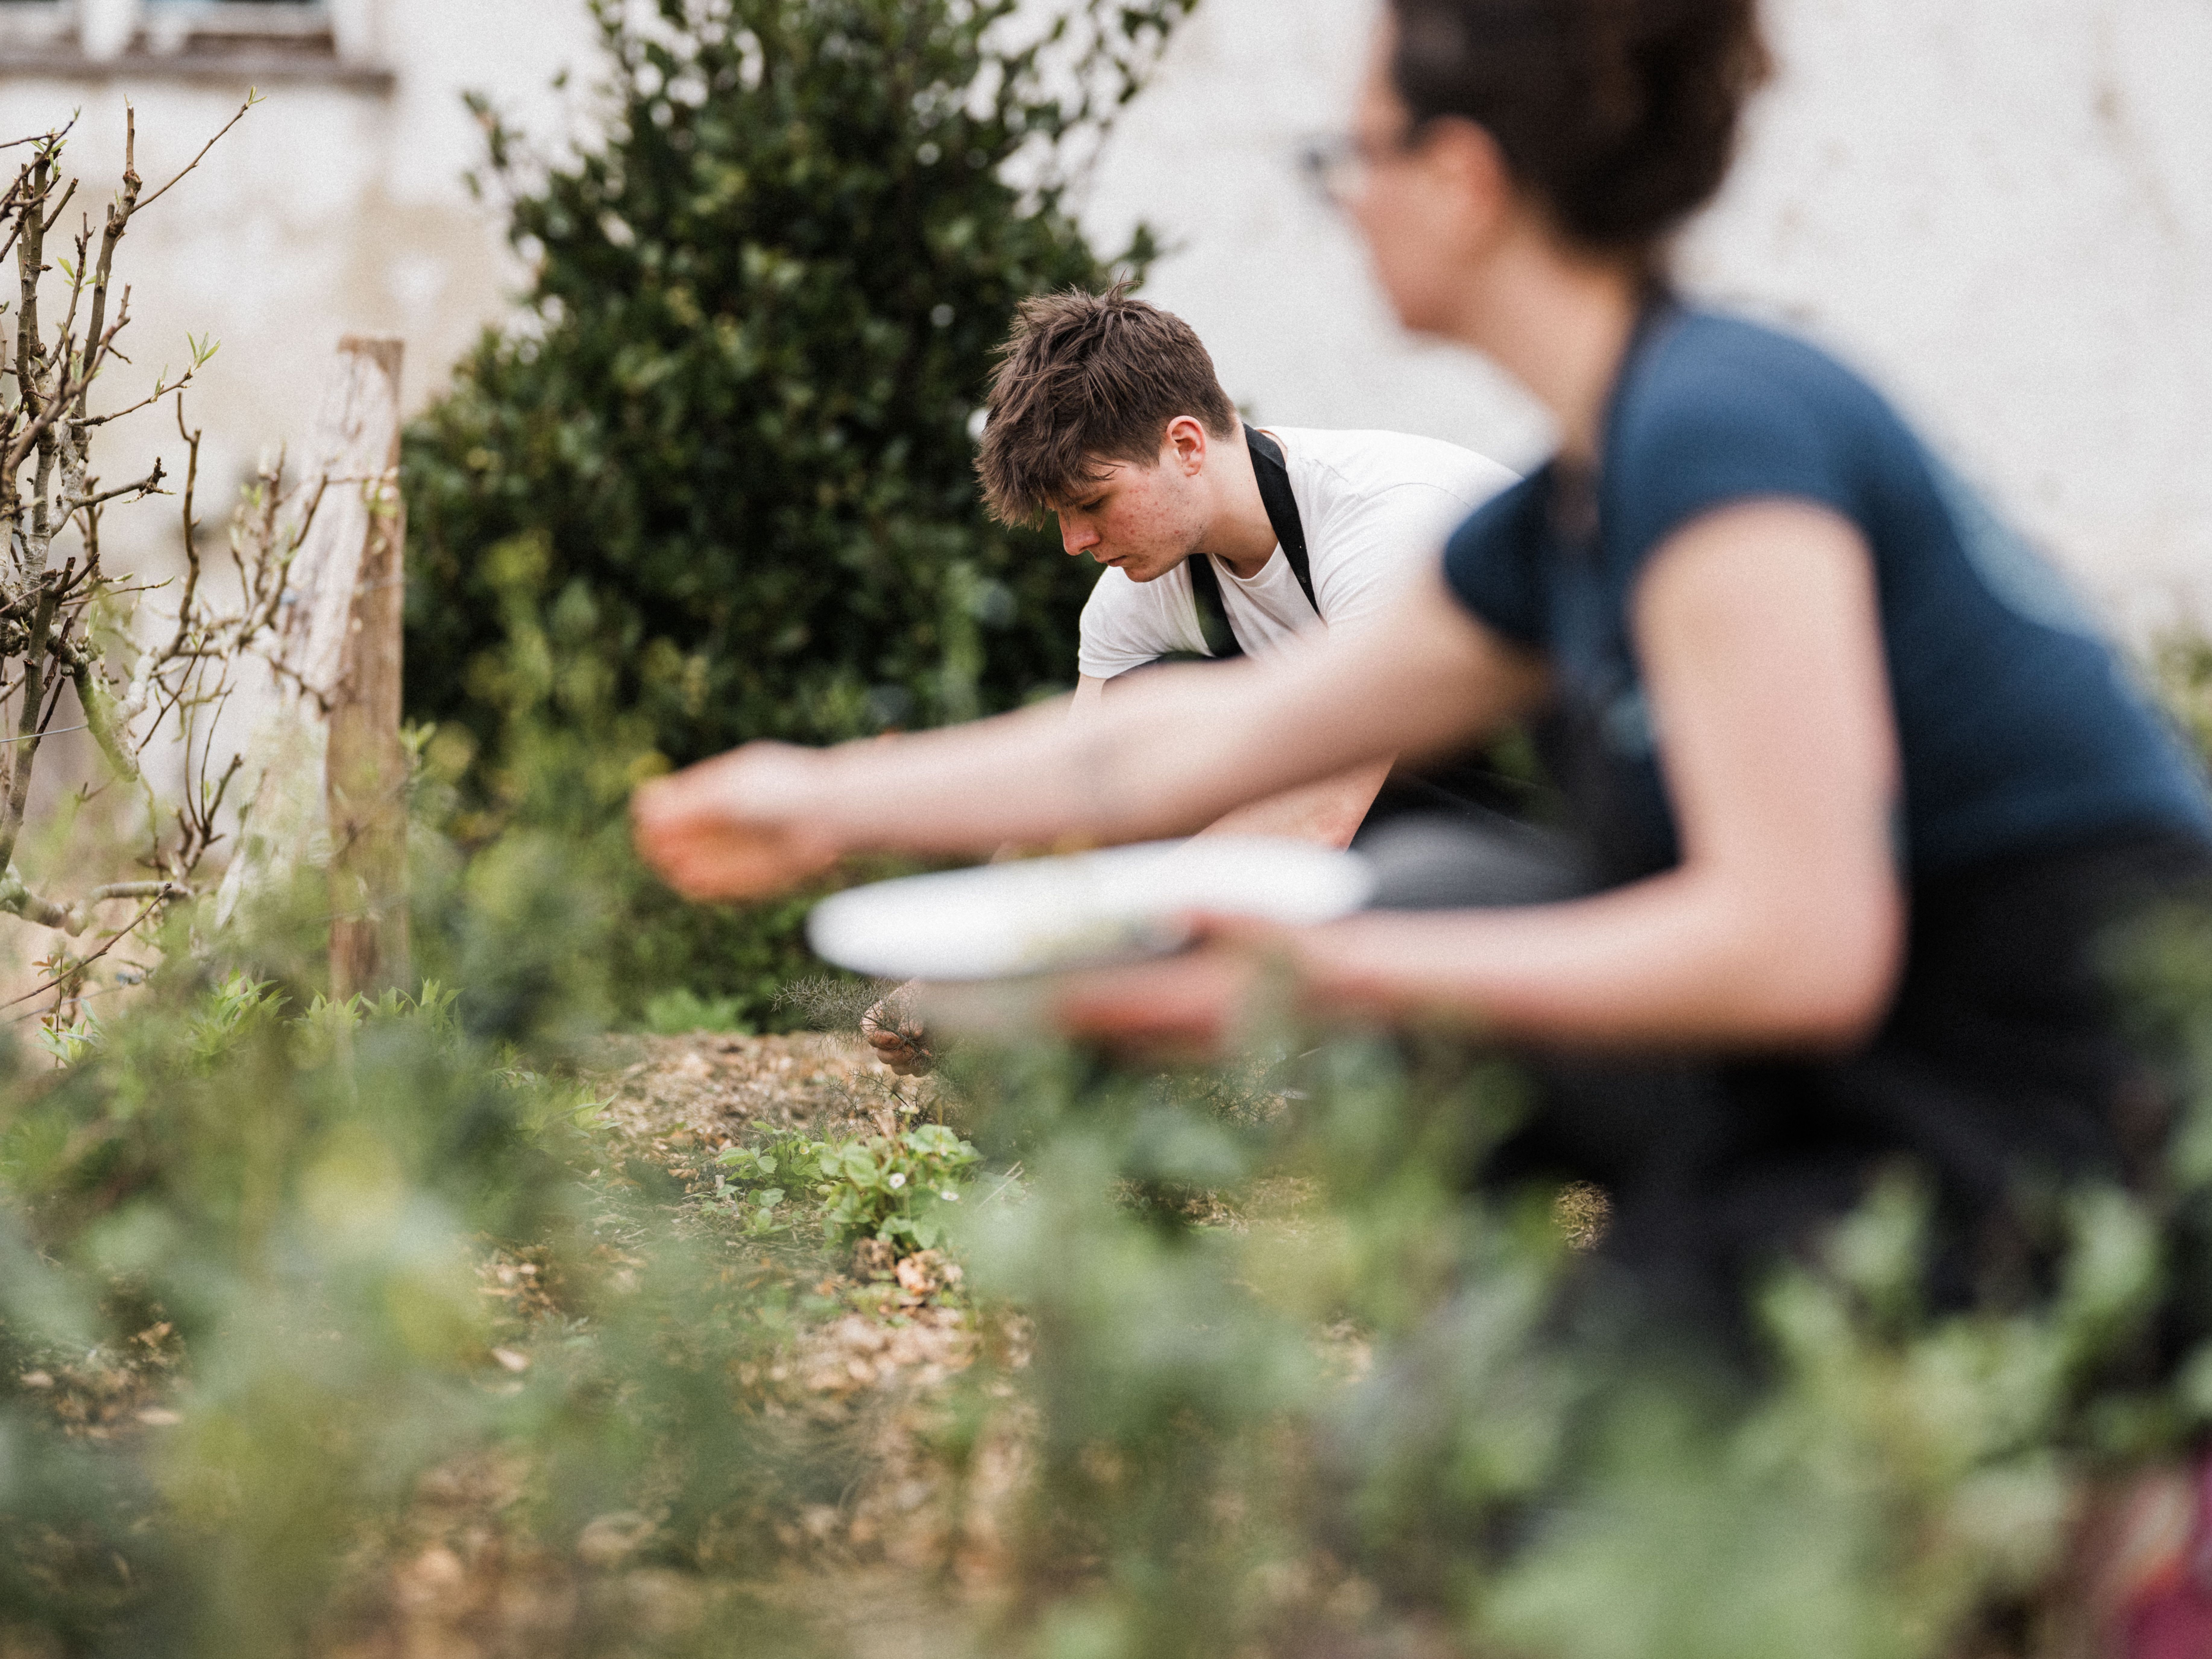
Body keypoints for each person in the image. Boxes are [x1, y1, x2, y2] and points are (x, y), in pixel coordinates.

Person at [637, 0, 2212, 1336]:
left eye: (1350, 157)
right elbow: (1167, 755)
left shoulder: (1722, 430)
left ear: (1456, 182)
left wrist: (1317, 975)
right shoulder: (1567, 503)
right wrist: (824, 798)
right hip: (1851, 1079)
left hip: (2053, 1097)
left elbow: (1800, 943)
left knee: (1438, 913)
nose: (1339, 197)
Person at [858, 286, 1518, 1072]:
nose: (1073, 541)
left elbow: (1321, 817)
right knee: (1140, 726)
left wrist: (1078, 953)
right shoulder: (1136, 591)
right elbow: (1075, 797)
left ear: (1186, 445)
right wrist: (962, 969)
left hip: (1573, 821)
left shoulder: (1392, 523)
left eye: (1092, 502)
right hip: (1405, 823)